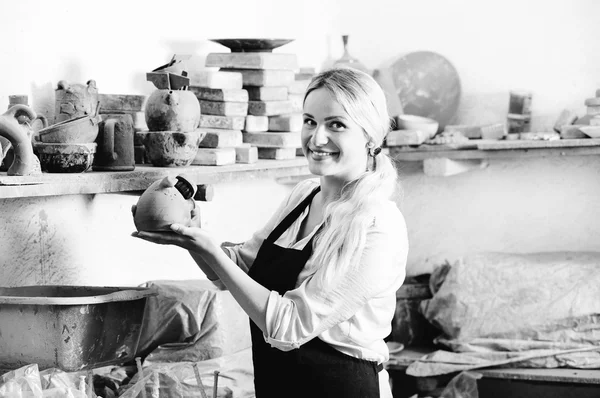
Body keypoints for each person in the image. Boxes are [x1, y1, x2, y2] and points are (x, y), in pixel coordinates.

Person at [133, 67, 408, 398]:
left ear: (370, 137)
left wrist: (209, 250)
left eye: (336, 124)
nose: (317, 138)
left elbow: (290, 326)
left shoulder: (377, 225)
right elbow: (238, 268)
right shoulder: (304, 195)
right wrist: (192, 236)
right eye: (310, 121)